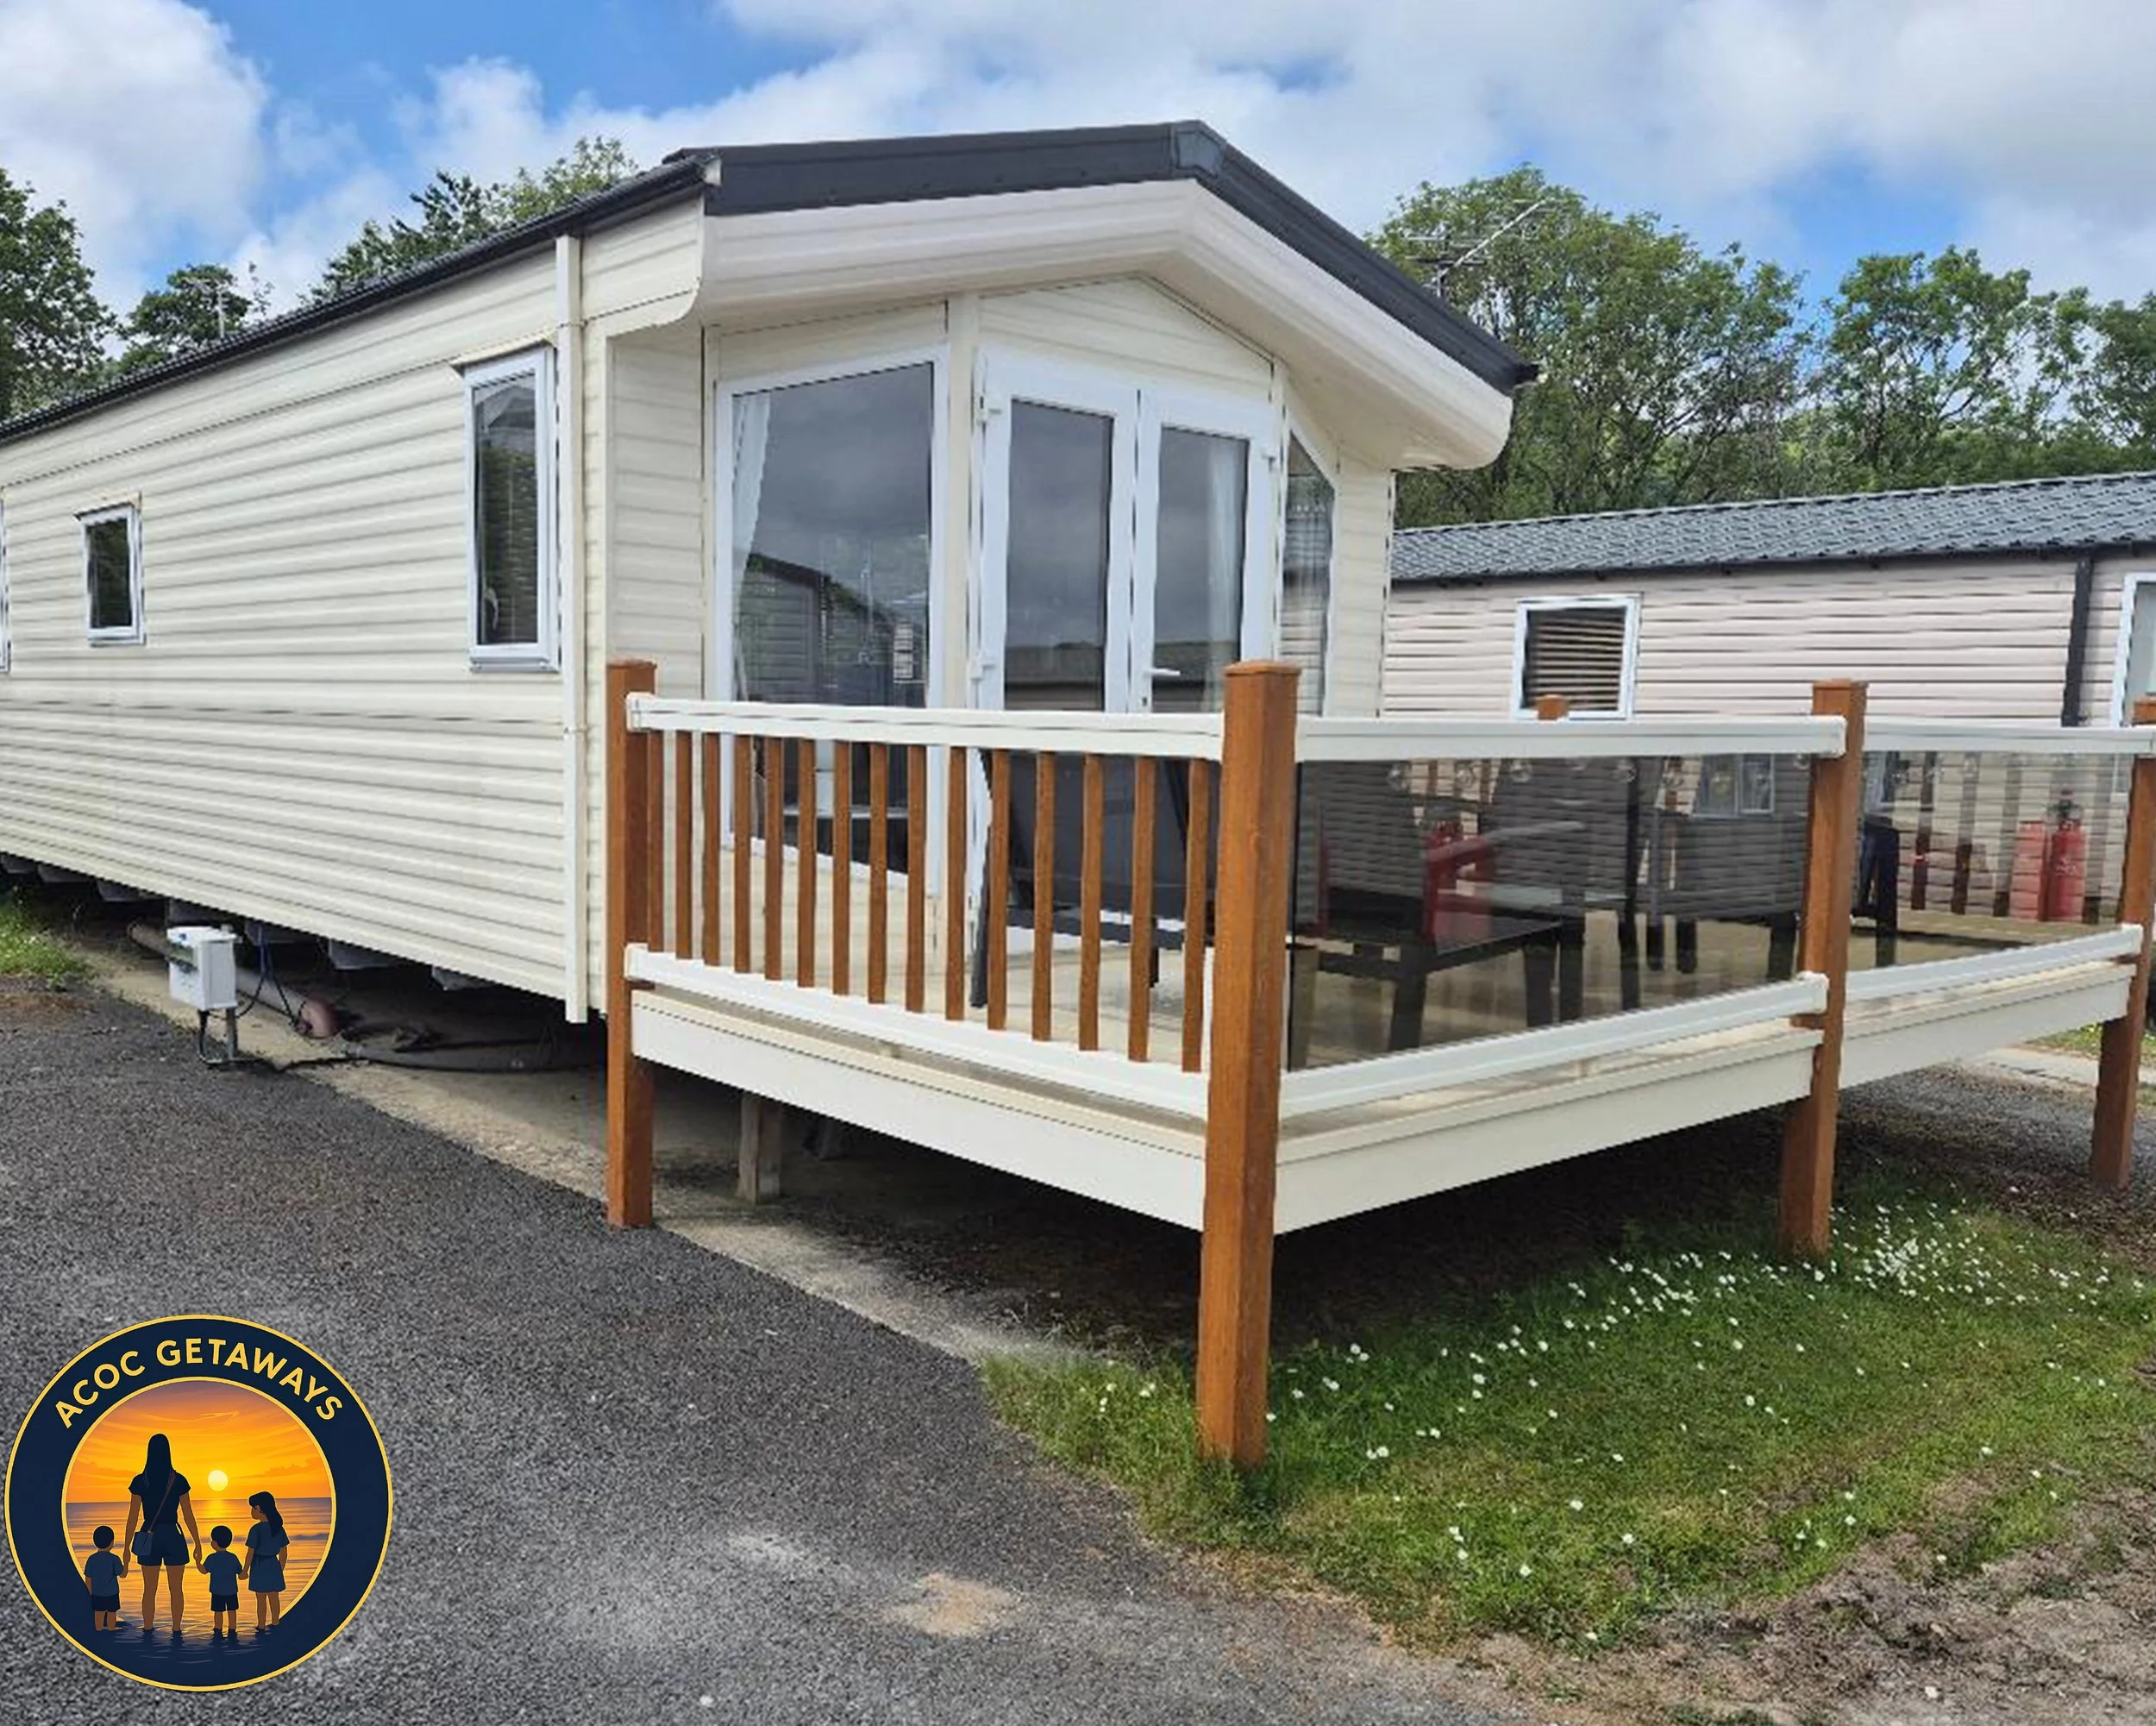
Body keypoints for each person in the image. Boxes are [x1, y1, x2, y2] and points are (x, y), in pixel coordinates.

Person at [120, 1433, 202, 1633]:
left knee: (149, 1590)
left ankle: (148, 1629)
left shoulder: (140, 1481)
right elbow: (188, 1514)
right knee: (176, 1590)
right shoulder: (179, 1480)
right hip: (173, 1536)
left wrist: (126, 1547)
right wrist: (198, 1543)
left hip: (149, 1535)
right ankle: (176, 1630)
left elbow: (132, 1517)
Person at [242, 1491, 288, 1629]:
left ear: (260, 1509)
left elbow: (250, 1553)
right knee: (274, 1598)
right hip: (273, 1565)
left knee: (261, 1600)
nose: (251, 1511)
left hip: (259, 1566)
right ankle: (276, 1622)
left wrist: (245, 1571)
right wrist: (280, 1567)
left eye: (253, 1508)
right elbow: (284, 1551)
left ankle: (261, 1625)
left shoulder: (256, 1530)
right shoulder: (278, 1528)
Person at [198, 1526, 243, 1637]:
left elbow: (204, 1570)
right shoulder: (233, 1557)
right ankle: (232, 1629)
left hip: (217, 1591)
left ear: (215, 1542)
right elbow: (240, 1572)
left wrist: (197, 1562)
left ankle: (218, 1629)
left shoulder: (212, 1558)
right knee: (232, 1611)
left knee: (218, 1612)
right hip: (232, 1591)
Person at [84, 1526, 124, 1630]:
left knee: (98, 1613)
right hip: (112, 1593)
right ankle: (111, 1629)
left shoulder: (91, 1559)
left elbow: (88, 1579)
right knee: (112, 1613)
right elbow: (122, 1574)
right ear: (112, 1542)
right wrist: (126, 1564)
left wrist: (90, 1593)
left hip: (97, 1594)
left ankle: (99, 1630)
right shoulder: (114, 1559)